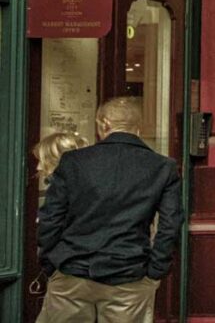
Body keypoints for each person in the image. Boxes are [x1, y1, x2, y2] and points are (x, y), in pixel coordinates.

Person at [36, 97, 183, 323]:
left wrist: (51, 263)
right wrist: (155, 271)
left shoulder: (73, 161)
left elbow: (51, 218)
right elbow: (170, 224)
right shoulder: (163, 167)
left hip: (72, 272)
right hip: (129, 274)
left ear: (103, 124)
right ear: (139, 128)